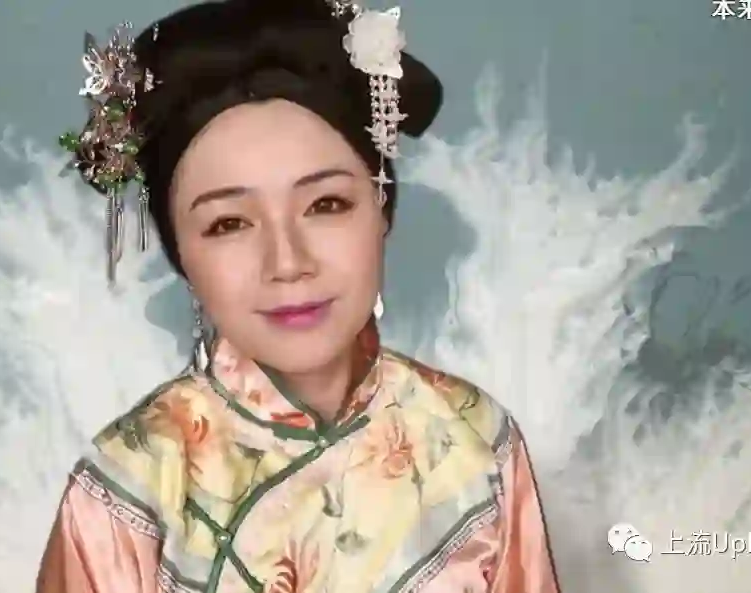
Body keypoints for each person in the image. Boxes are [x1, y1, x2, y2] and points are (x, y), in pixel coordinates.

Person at [37, 0, 560, 591]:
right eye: (229, 223)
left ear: (382, 210)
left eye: (326, 204)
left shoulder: (473, 436)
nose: (287, 263)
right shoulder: (127, 485)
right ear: (180, 252)